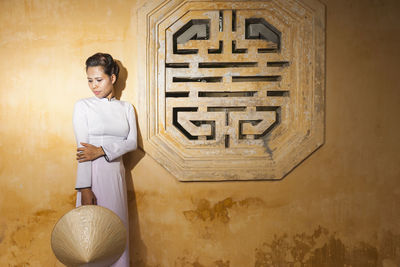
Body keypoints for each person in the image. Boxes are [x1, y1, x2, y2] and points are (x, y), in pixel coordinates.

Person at [73, 53, 137, 267]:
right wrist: (84, 188)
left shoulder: (126, 108)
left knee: (117, 233)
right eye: (90, 80)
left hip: (116, 176)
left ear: (113, 78)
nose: (94, 85)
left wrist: (101, 150)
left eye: (98, 80)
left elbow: (132, 143)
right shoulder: (83, 106)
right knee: (91, 239)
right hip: (93, 176)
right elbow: (83, 151)